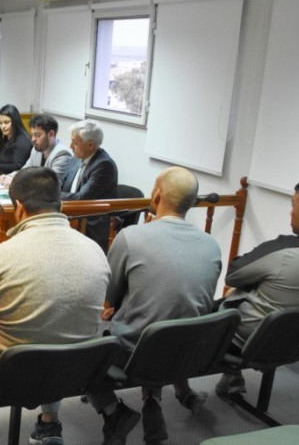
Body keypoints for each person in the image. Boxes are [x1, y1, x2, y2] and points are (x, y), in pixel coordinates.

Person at [0, 167, 110, 445]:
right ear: (60, 205)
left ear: (19, 208)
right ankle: (49, 424)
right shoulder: (96, 250)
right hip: (74, 370)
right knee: (56, 332)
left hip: (11, 374)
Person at [87, 167, 222, 445]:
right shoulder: (212, 245)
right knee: (164, 323)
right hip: (190, 352)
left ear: (157, 195)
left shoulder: (131, 237)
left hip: (136, 353)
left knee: (81, 338)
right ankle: (154, 397)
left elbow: (110, 293)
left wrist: (120, 307)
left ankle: (113, 411)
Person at [216, 176, 299, 397]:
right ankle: (232, 375)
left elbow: (233, 274)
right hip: (298, 344)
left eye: (293, 206)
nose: (290, 213)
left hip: (250, 342)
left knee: (218, 306)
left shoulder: (285, 250)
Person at [61, 119, 119, 252]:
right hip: (73, 216)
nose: (70, 146)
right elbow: (61, 185)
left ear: (90, 144)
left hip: (92, 224)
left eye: (75, 143)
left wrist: (53, 196)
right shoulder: (77, 158)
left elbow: (83, 198)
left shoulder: (104, 165)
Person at [0, 113, 73, 187]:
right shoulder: (36, 149)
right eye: (32, 135)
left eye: (37, 135)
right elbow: (25, 171)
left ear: (51, 134)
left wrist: (16, 182)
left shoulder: (62, 154)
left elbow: (50, 185)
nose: (33, 139)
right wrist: (9, 177)